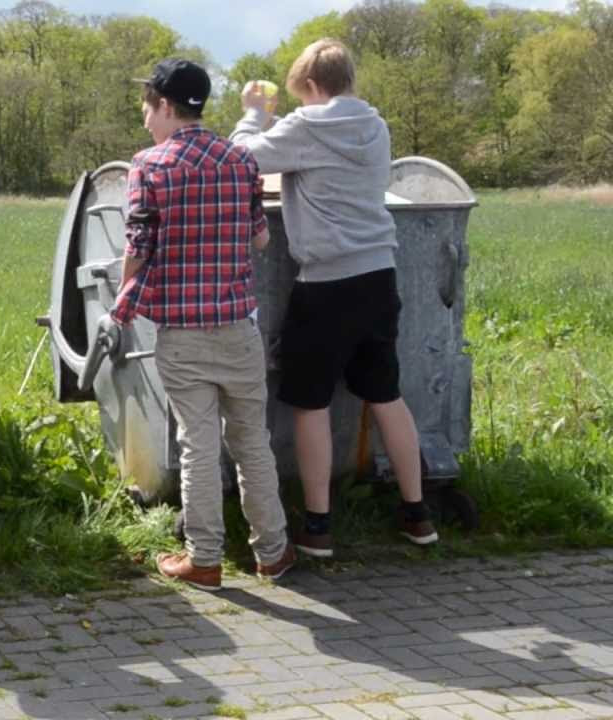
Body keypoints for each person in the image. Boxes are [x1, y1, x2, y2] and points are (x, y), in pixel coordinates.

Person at [229, 39, 439, 558]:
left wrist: (255, 115)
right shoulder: (375, 125)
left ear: (314, 87)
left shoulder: (308, 125)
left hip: (325, 285)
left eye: (302, 94)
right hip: (378, 276)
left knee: (309, 402)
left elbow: (241, 160)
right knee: (386, 394)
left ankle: (318, 527)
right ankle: (418, 516)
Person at [112, 58, 296, 591]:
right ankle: (273, 552)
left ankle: (207, 558)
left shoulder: (149, 166)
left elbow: (138, 251)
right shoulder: (240, 161)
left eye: (148, 108)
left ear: (167, 107)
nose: (146, 120)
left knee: (197, 445)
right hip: (238, 327)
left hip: (183, 335)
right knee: (251, 442)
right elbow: (261, 239)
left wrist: (120, 303)